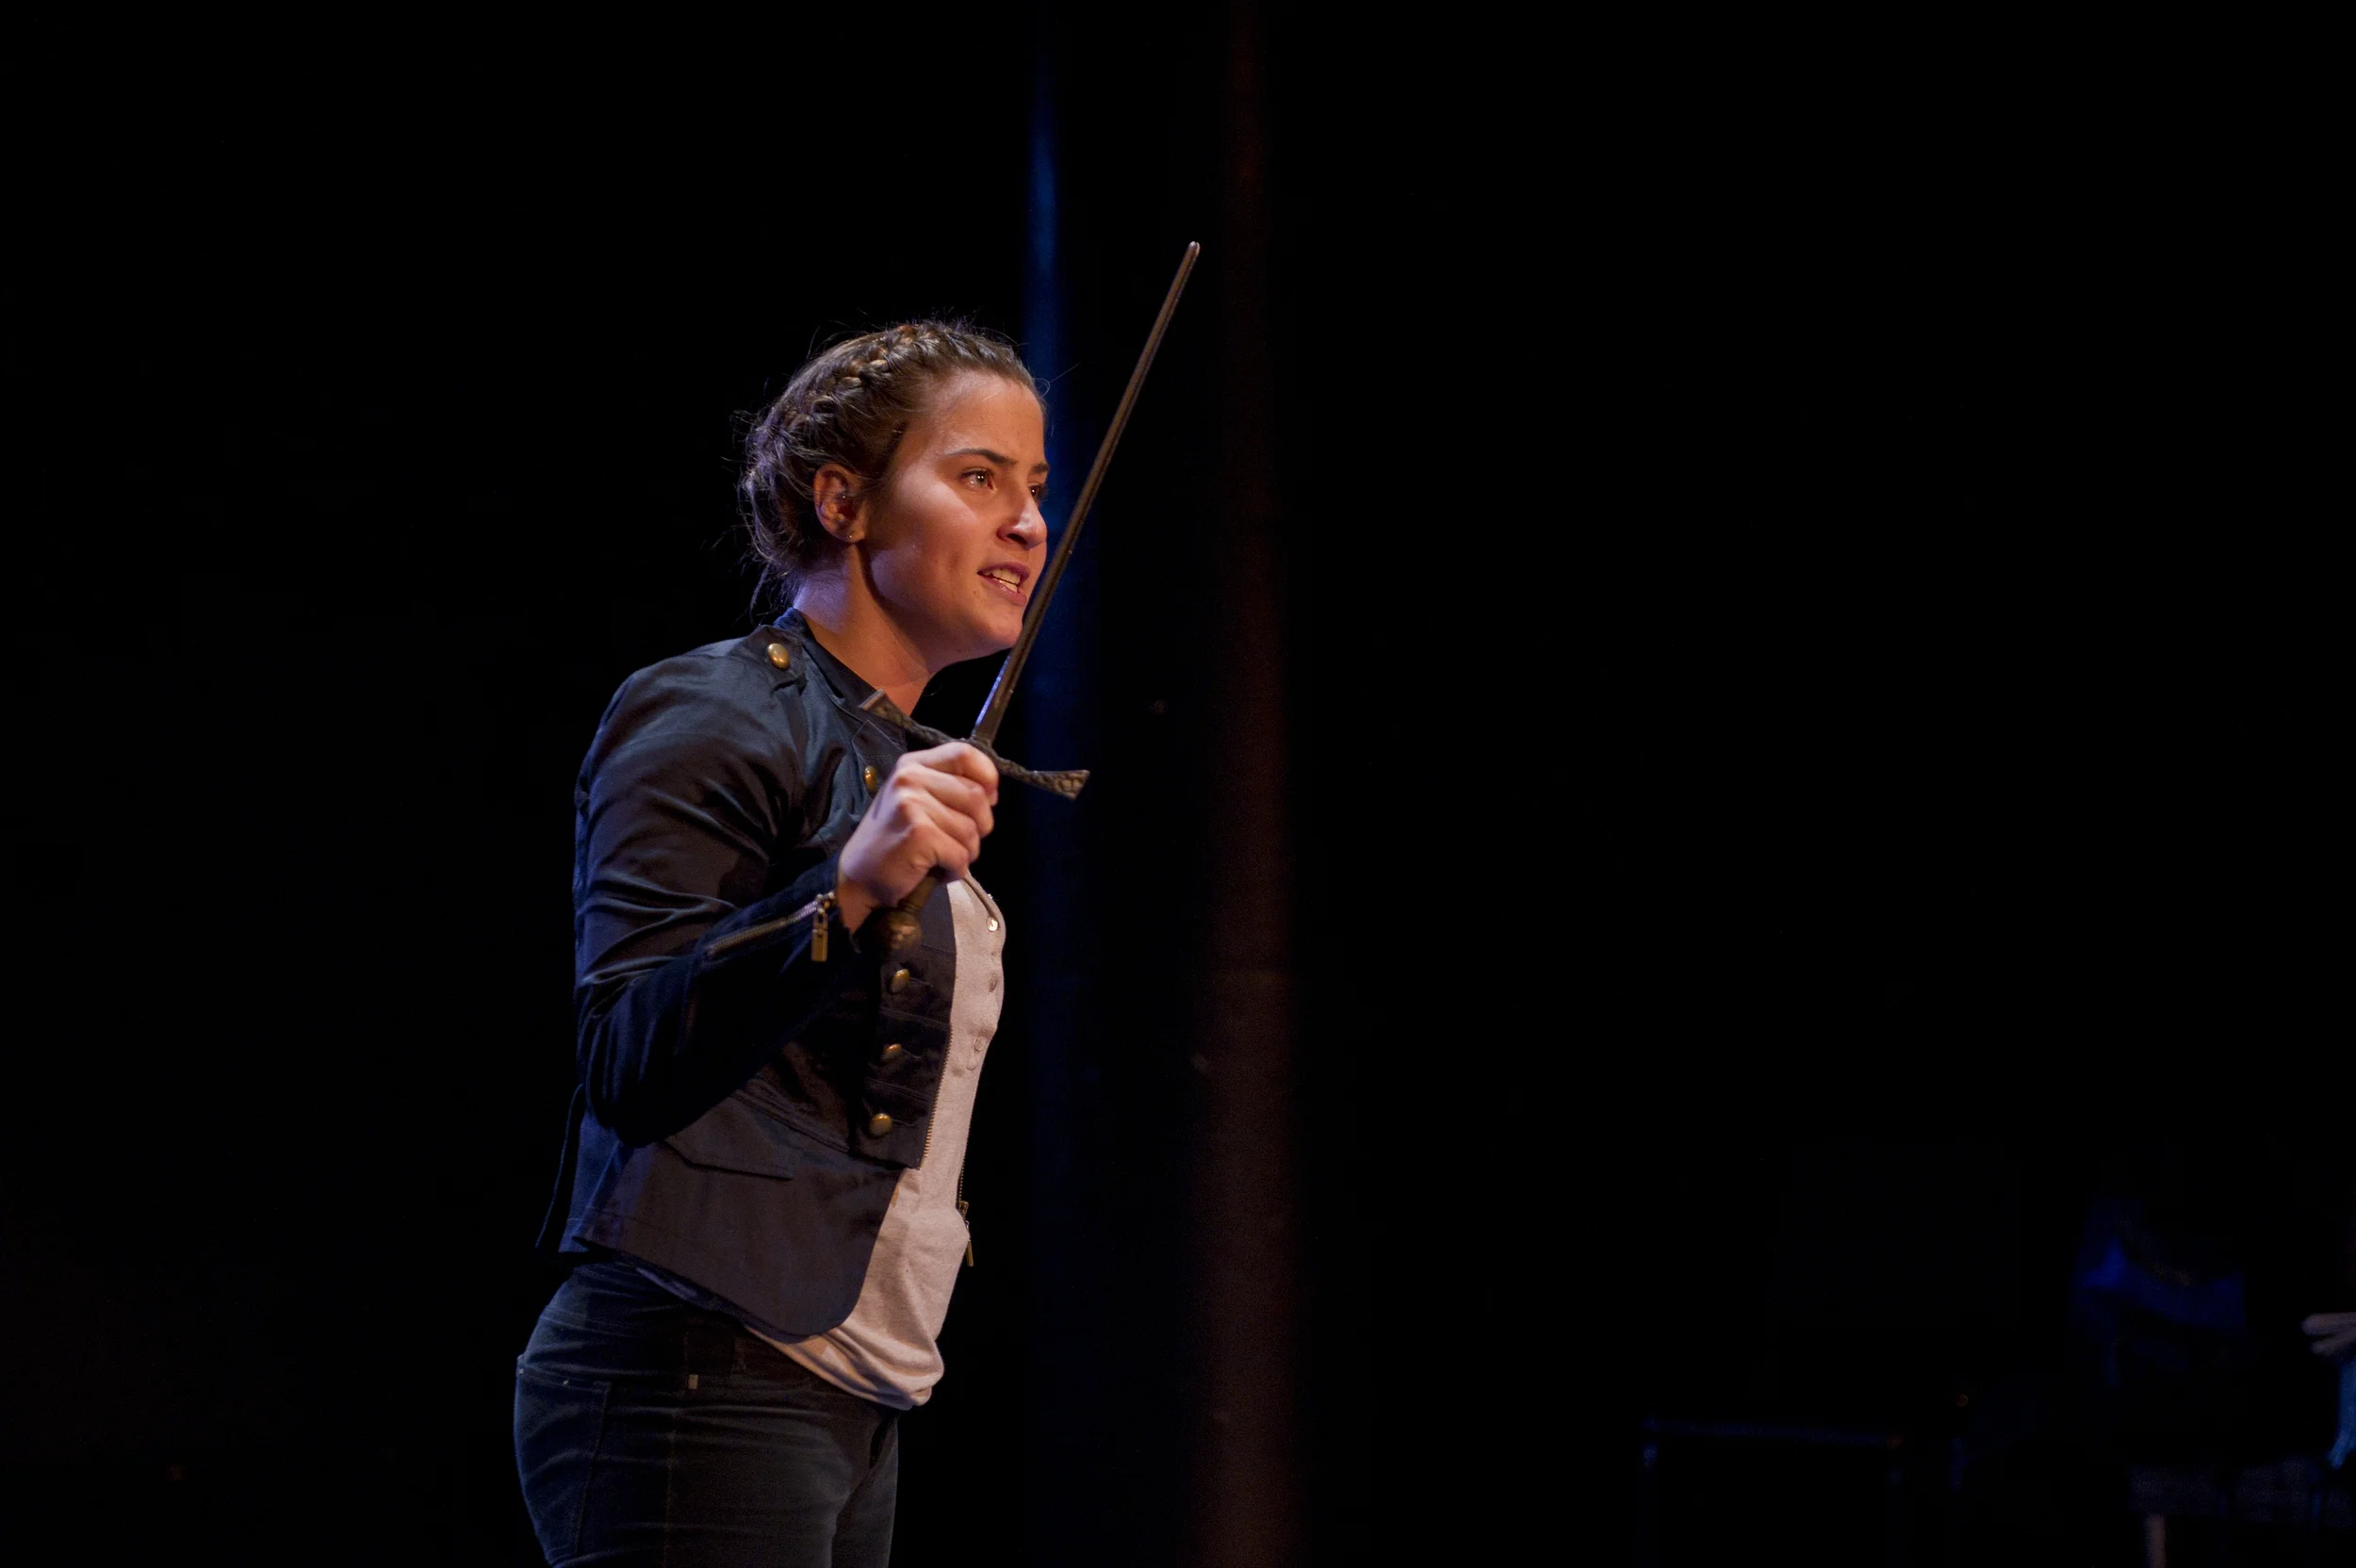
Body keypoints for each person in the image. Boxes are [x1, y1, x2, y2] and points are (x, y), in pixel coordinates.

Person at [514, 320, 1049, 1566]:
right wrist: (845, 892)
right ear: (843, 503)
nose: (1028, 523)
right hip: (698, 1373)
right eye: (979, 477)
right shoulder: (709, 709)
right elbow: (628, 1057)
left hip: (847, 1396)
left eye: (1035, 486)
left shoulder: (901, 755)